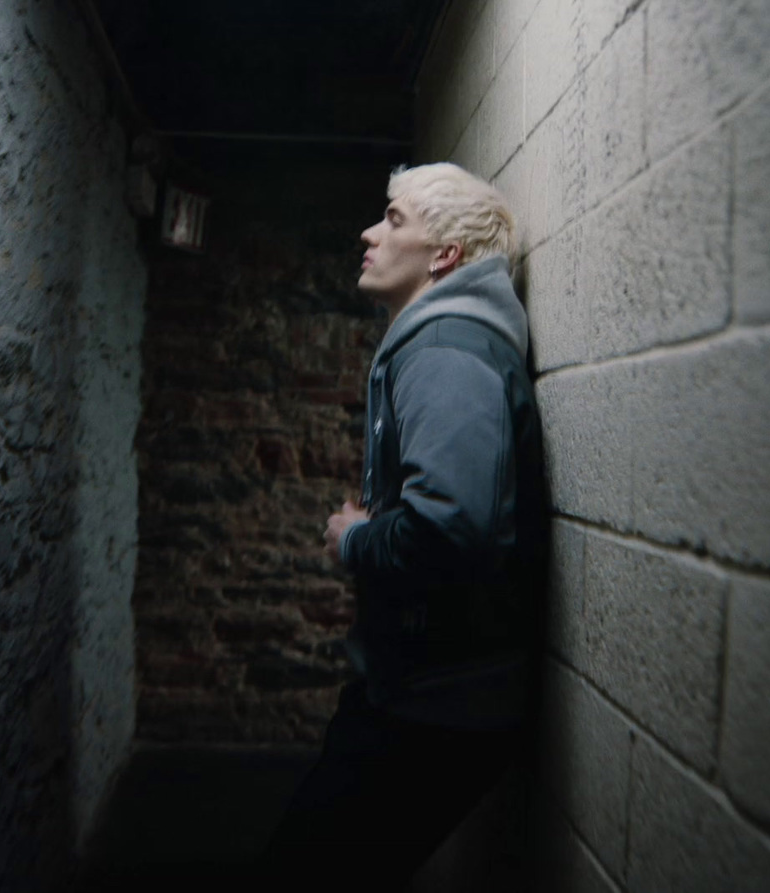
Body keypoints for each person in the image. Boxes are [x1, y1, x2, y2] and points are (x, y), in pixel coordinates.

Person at [260, 163, 547, 891]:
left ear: (444, 255)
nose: (369, 232)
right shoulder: (439, 342)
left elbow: (450, 529)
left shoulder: (445, 351)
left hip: (440, 702)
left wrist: (353, 539)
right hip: (422, 688)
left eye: (393, 219)